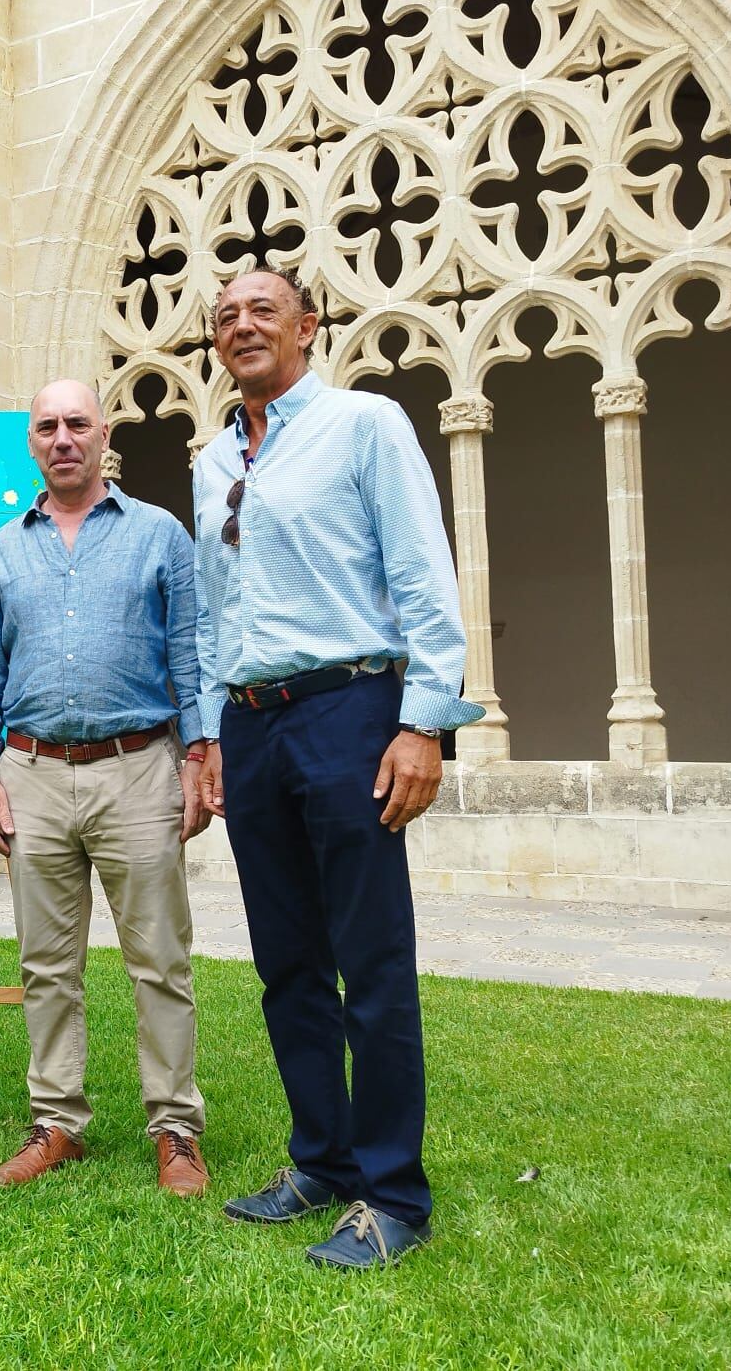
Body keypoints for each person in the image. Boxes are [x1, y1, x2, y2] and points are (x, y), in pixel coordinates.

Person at [194, 267, 482, 1268]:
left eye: (261, 310)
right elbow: (209, 612)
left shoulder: (363, 426)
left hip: (350, 709)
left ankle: (392, 1196)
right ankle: (320, 1159)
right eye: (224, 316)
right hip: (251, 723)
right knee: (285, 962)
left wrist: (422, 724)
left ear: (306, 328)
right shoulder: (209, 458)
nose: (240, 326)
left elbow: (421, 573)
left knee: (370, 961)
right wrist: (207, 736)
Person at [0, 379, 211, 1196]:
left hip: (138, 769)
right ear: (31, 443)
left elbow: (190, 653)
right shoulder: (2, 550)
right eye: (47, 427)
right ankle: (57, 1121)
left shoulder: (159, 535)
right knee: (46, 963)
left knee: (159, 960)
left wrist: (201, 754)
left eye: (77, 424)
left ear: (104, 434)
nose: (63, 437)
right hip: (29, 773)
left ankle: (175, 1128)